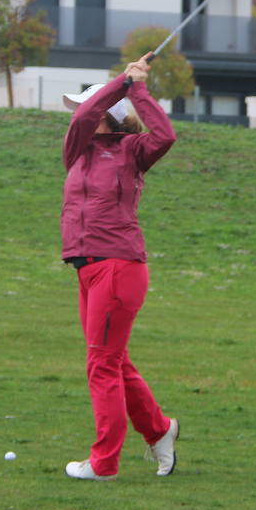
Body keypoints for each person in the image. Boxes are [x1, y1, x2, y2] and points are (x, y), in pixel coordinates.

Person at [60, 53, 179, 481]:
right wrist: (120, 82)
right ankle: (160, 431)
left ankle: (104, 463)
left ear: (109, 117)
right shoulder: (77, 149)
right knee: (115, 361)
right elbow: (84, 116)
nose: (77, 114)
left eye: (85, 108)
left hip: (120, 265)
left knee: (102, 364)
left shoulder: (132, 151)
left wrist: (138, 88)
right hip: (86, 268)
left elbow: (164, 135)